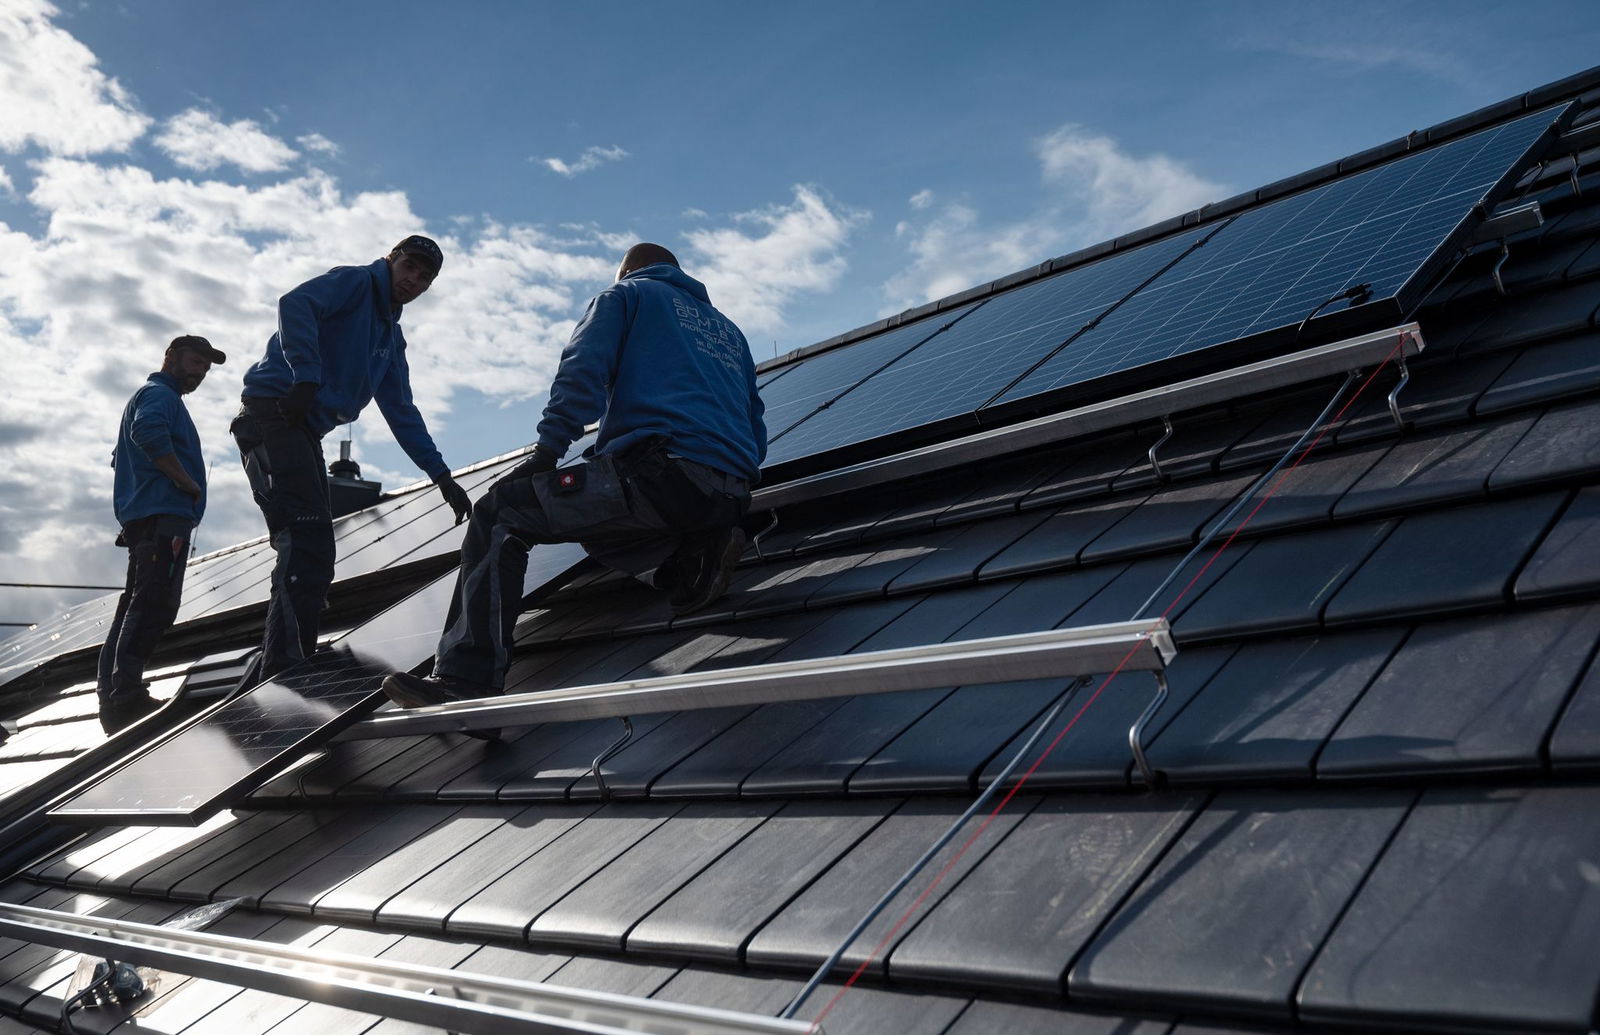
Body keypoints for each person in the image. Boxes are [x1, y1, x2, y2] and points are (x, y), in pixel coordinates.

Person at [383, 242, 766, 709]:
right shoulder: (731, 333)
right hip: (731, 493)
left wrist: (546, 454)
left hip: (661, 478)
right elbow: (755, 420)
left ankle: (468, 679)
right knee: (598, 519)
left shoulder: (624, 296)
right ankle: (693, 556)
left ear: (627, 272)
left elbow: (582, 369)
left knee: (500, 512)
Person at [232, 235, 472, 680]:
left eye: (424, 277)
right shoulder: (355, 283)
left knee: (317, 544)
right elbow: (295, 304)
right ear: (391, 260)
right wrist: (305, 376)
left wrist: (442, 476)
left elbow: (402, 410)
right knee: (303, 538)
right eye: (409, 268)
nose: (413, 280)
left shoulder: (388, 337)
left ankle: (277, 660)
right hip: (274, 413)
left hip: (303, 431)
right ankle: (285, 665)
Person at [98, 335, 226, 734]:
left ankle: (113, 692)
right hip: (163, 516)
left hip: (147, 518)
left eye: (205, 367)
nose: (199, 371)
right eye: (194, 361)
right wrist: (185, 482)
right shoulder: (160, 396)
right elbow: (148, 433)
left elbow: (127, 451)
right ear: (170, 356)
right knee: (153, 603)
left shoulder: (153, 397)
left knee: (136, 603)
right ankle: (126, 695)